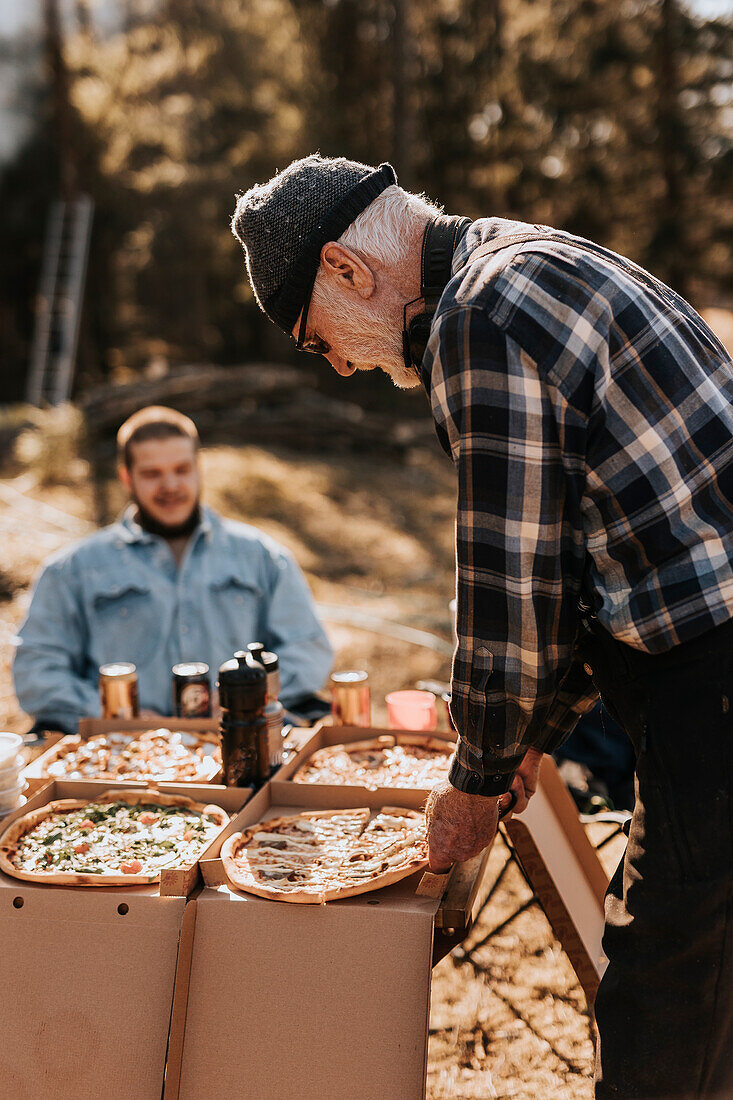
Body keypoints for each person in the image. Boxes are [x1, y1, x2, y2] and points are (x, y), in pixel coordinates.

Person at [230, 154, 733, 1099]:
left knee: (667, 992)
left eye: (316, 340)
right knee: (701, 971)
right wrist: (525, 743)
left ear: (346, 269)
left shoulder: (475, 319)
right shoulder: (519, 256)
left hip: (712, 665)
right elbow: (588, 557)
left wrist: (478, 775)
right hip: (703, 647)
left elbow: (515, 584)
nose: (338, 363)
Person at [13, 406, 333, 735]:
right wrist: (113, 715)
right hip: (121, 759)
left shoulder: (263, 557)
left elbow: (308, 649)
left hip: (242, 745)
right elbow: (36, 672)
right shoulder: (70, 570)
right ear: (127, 477)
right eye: (152, 473)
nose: (170, 484)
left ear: (199, 468)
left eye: (181, 469)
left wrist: (244, 699)